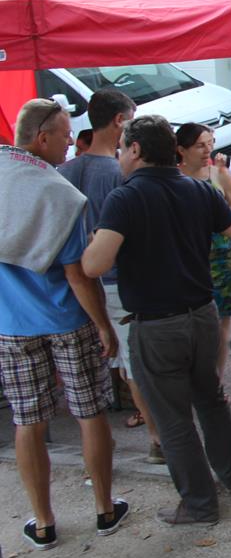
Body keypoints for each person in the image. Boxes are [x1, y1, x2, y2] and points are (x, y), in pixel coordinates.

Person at [82, 115, 231, 525]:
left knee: (173, 419)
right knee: (210, 399)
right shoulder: (197, 190)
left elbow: (95, 264)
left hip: (156, 324)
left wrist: (91, 244)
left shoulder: (124, 198)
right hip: (202, 315)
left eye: (123, 147)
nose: (120, 154)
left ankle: (199, 503)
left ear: (136, 149)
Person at [1, 99, 127, 549]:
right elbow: (77, 273)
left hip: (12, 324)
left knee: (27, 419)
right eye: (64, 133)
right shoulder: (60, 195)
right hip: (67, 320)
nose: (70, 141)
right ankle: (105, 509)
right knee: (90, 412)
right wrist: (104, 326)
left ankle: (43, 521)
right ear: (42, 138)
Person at [58, 90, 162, 461]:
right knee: (134, 365)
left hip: (74, 284)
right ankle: (156, 438)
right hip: (118, 281)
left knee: (95, 365)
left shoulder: (64, 171)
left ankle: (100, 446)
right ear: (120, 121)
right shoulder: (121, 177)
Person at [176, 124, 231, 382]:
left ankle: (215, 380)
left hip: (224, 257)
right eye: (200, 145)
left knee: (220, 326)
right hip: (191, 259)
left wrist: (217, 221)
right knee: (191, 324)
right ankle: (194, 376)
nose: (208, 149)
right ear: (181, 150)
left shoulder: (220, 174)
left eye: (210, 142)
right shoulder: (174, 179)